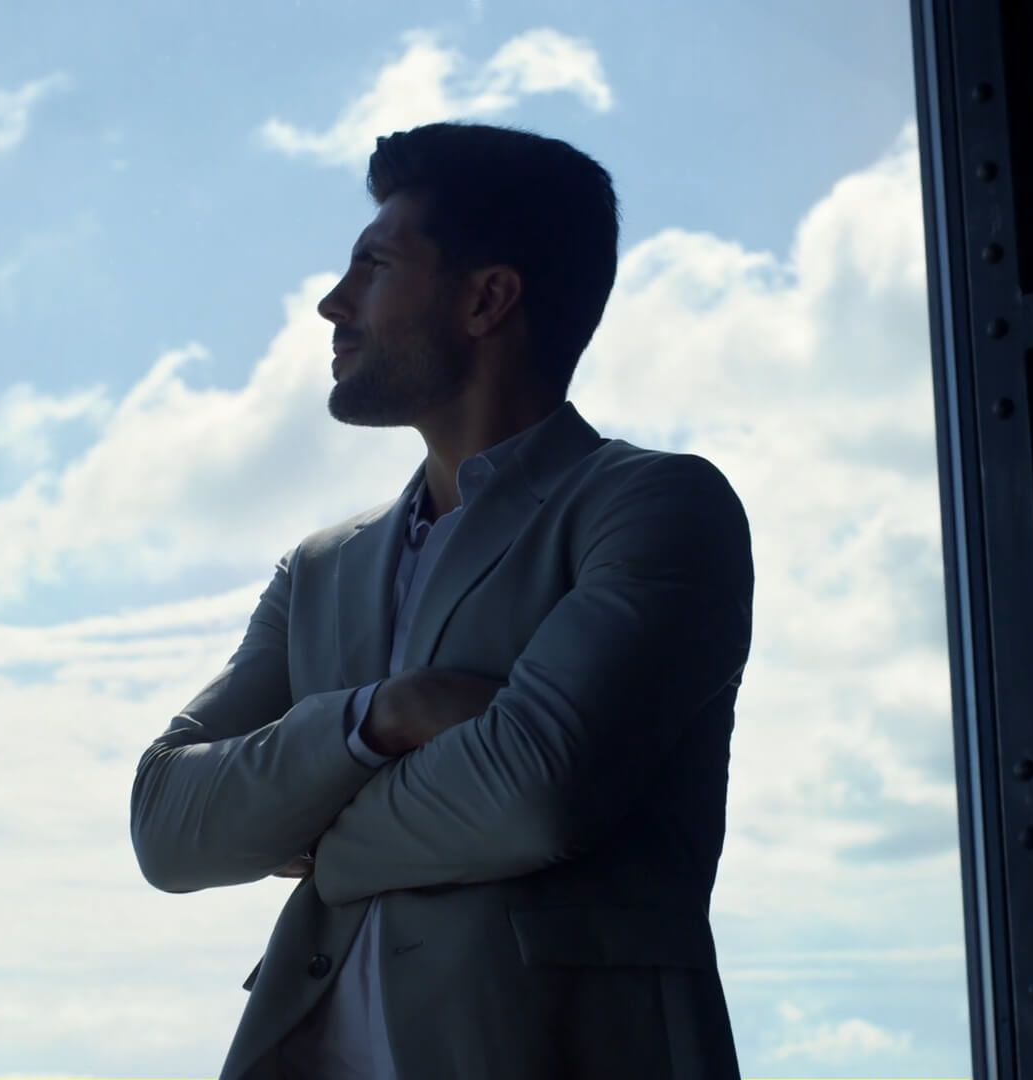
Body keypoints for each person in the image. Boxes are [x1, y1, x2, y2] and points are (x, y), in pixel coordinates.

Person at [129, 121, 754, 1080]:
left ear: (487, 299)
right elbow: (169, 827)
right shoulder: (322, 567)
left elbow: (533, 796)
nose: (334, 305)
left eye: (373, 266)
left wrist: (314, 832)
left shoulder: (654, 507)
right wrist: (385, 717)